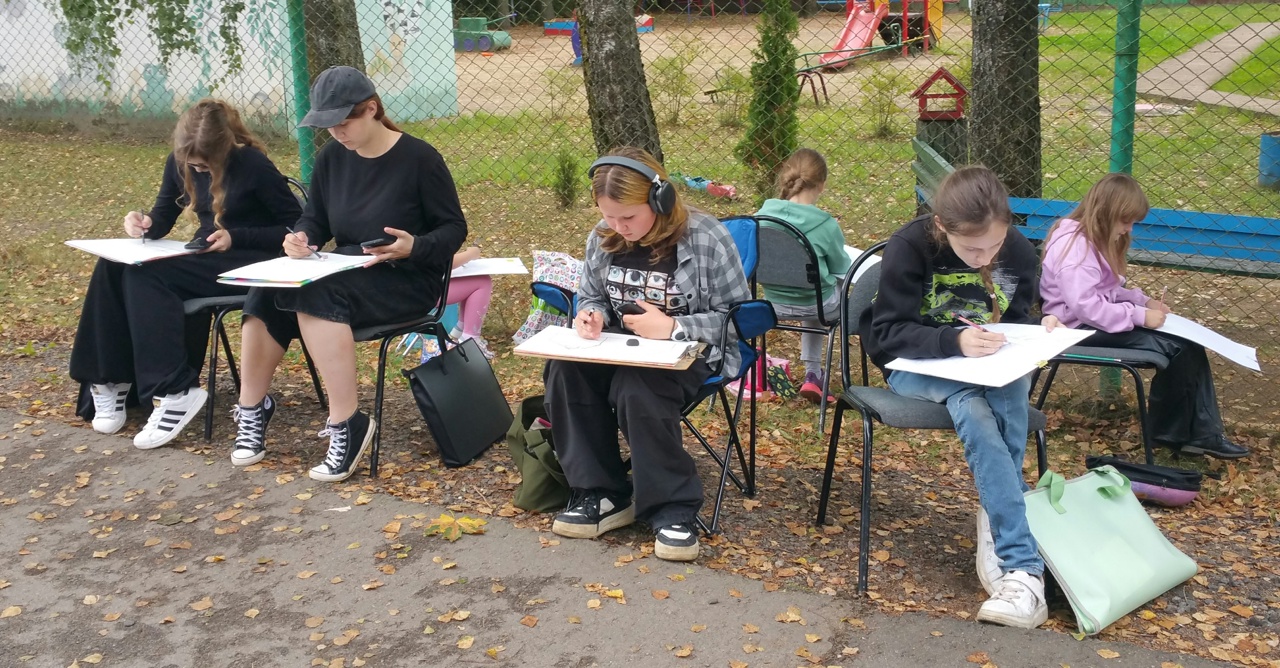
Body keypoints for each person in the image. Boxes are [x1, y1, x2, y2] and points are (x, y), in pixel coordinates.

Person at [230, 66, 466, 481]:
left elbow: (453, 229)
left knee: (316, 294)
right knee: (267, 290)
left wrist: (414, 246)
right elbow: (315, 218)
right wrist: (302, 237)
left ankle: (347, 422)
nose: (337, 133)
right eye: (328, 125)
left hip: (405, 278)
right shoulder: (331, 158)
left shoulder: (419, 158)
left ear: (371, 109)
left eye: (344, 122)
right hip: (348, 268)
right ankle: (252, 408)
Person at [860, 166, 1058, 629]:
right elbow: (888, 333)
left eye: (994, 245)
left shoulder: (1017, 250)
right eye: (972, 249)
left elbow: (1015, 324)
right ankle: (1021, 562)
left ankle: (1005, 527)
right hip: (913, 367)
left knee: (989, 397)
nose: (984, 257)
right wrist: (954, 342)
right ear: (941, 225)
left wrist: (1042, 328)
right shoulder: (910, 245)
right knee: (977, 397)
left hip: (989, 371)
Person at [544, 147, 751, 562]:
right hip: (619, 347)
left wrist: (674, 327)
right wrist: (592, 315)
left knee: (637, 385)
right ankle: (602, 493)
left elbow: (739, 319)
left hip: (689, 352)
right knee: (564, 370)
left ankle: (672, 509)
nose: (619, 227)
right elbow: (591, 295)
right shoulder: (602, 236)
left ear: (660, 200)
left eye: (629, 217)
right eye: (609, 216)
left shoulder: (706, 237)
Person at [69, 99, 302, 448]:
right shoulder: (178, 162)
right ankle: (111, 379)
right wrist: (144, 224)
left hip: (249, 260)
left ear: (222, 149)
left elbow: (295, 225)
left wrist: (235, 237)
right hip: (204, 254)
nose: (196, 169)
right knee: (112, 264)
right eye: (191, 163)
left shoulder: (252, 164)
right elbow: (163, 214)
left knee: (146, 275)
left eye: (204, 165)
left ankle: (174, 391)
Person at [1039, 173, 1247, 459]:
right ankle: (1179, 435)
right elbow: (1085, 305)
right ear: (1104, 213)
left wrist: (1143, 301)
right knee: (1176, 347)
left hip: (1094, 321)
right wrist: (1139, 315)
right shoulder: (1075, 247)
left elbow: (1105, 291)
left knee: (1187, 343)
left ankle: (1195, 435)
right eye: (1125, 220)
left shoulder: (1089, 240)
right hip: (1075, 328)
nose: (1128, 228)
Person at [754, 148, 851, 402]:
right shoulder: (825, 224)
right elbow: (842, 268)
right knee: (828, 289)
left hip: (770, 305)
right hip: (817, 306)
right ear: (822, 184)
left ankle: (759, 369)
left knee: (816, 289)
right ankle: (813, 374)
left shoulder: (759, 219)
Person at [446, 246, 495, 359]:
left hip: (409, 295)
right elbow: (445, 263)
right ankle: (470, 338)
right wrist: (471, 254)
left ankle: (460, 329)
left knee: (471, 280)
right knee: (483, 281)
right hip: (424, 295)